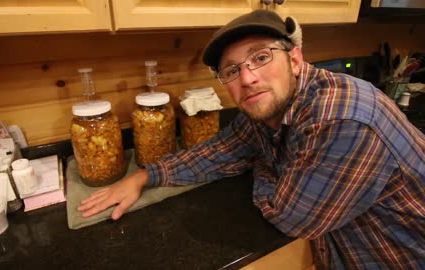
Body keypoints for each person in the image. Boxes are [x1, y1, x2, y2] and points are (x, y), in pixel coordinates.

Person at [78, 9, 425, 269]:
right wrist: (145, 175)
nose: (248, 77)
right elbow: (221, 149)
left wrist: (261, 161)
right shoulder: (269, 106)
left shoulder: (344, 120)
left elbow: (290, 216)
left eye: (260, 57)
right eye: (231, 70)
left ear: (295, 59)